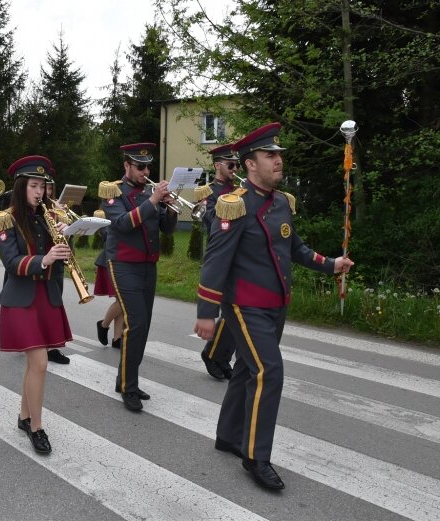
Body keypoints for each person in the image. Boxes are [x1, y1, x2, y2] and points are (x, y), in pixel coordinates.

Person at [194, 122, 354, 490]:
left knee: (246, 371)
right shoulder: (233, 206)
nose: (278, 161)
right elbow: (215, 262)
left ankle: (228, 436)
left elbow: (293, 247)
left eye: (279, 155)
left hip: (275, 305)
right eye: (270, 156)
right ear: (251, 164)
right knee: (269, 372)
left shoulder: (281, 202)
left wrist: (330, 263)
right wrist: (206, 312)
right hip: (244, 305)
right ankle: (256, 457)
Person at [0, 155, 72, 454]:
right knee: (39, 363)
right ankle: (37, 427)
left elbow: (59, 257)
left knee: (33, 366)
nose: (40, 192)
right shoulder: (6, 218)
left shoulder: (47, 216)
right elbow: (11, 263)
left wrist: (64, 239)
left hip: (46, 296)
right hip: (21, 299)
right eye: (34, 186)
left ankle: (25, 417)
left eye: (43, 186)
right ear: (22, 186)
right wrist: (44, 259)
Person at [99, 143, 178, 411]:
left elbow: (167, 230)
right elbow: (121, 224)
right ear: (127, 166)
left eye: (148, 167)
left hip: (148, 265)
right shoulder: (113, 192)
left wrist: (170, 207)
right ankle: (128, 387)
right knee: (137, 322)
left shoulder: (148, 193)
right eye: (140, 167)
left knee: (144, 326)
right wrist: (154, 201)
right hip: (123, 263)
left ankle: (125, 380)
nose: (146, 171)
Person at [195, 143, 242, 381]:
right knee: (232, 311)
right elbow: (210, 222)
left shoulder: (241, 189)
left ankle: (220, 356)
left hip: (240, 257)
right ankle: (213, 353)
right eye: (230, 165)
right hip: (221, 255)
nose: (235, 169)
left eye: (236, 164)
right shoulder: (208, 192)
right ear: (217, 166)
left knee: (237, 311)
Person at [42, 176, 71, 365]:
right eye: (43, 188)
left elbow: (67, 235)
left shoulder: (57, 209)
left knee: (55, 301)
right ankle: (37, 343)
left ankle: (52, 347)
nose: (46, 193)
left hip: (57, 262)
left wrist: (66, 225)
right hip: (39, 261)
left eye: (49, 189)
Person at [93, 209, 124, 349]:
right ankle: (104, 325)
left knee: (122, 302)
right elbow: (108, 234)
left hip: (123, 263)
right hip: (111, 263)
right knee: (124, 300)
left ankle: (117, 338)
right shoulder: (112, 220)